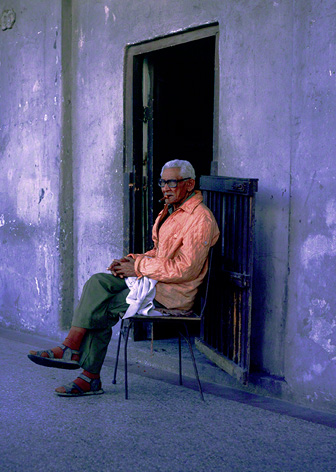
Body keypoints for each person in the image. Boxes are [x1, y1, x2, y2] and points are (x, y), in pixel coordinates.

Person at [28, 159, 220, 396]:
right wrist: (131, 261)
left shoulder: (200, 218)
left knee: (105, 305)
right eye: (163, 182)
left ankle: (88, 374)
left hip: (172, 295)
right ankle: (72, 347)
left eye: (172, 182)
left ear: (189, 184)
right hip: (153, 281)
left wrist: (138, 266)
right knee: (98, 283)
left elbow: (185, 269)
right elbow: (160, 253)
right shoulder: (172, 212)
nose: (165, 188)